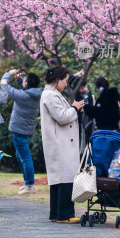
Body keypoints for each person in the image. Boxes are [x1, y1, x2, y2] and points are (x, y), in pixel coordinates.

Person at [40, 67, 84, 224]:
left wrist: (72, 108)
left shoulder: (51, 94)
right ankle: (64, 215)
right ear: (57, 79)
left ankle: (56, 213)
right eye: (65, 81)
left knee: (59, 179)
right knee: (65, 178)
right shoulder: (51, 96)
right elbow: (62, 117)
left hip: (59, 142)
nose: (66, 84)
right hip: (60, 143)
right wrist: (74, 108)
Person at [0, 68, 42, 194]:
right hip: (27, 131)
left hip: (19, 131)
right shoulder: (34, 94)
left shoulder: (22, 96)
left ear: (27, 84)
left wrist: (9, 74)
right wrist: (19, 81)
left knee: (25, 158)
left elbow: (5, 85)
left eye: (25, 81)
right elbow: (26, 91)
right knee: (21, 156)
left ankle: (29, 185)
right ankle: (27, 183)